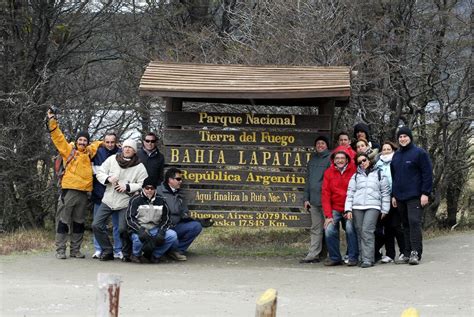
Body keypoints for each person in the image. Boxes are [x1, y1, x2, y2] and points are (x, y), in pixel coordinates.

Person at [47, 109, 102, 259]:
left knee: (79, 223)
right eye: (80, 140)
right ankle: (60, 250)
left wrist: (111, 142)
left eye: (85, 140)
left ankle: (75, 250)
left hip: (84, 193)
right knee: (63, 221)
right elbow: (57, 137)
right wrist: (52, 120)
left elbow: (99, 143)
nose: (82, 142)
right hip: (69, 191)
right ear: (76, 141)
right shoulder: (68, 150)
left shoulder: (90, 152)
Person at [92, 139, 148, 261]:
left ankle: (126, 252)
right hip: (108, 199)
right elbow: (100, 172)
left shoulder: (139, 166)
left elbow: (142, 184)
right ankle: (107, 250)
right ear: (122, 148)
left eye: (130, 148)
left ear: (134, 151)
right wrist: (108, 178)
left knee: (123, 229)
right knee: (96, 225)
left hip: (125, 201)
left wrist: (127, 187)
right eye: (125, 147)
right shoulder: (112, 159)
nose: (127, 149)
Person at [391, 127, 433, 265]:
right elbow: (394, 177)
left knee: (414, 221)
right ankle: (407, 252)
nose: (402, 139)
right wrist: (393, 195)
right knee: (405, 224)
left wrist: (425, 193)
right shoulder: (396, 155)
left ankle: (416, 252)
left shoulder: (419, 153)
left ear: (410, 137)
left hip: (415, 195)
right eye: (400, 137)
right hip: (400, 196)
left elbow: (427, 174)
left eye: (405, 136)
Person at [345, 153, 391, 268]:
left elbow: (385, 192)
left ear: (369, 160)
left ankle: (368, 259)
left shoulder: (379, 173)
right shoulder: (355, 176)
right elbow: (350, 193)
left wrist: (385, 209)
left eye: (364, 160)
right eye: (359, 162)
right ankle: (362, 257)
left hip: (373, 206)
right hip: (357, 207)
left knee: (367, 230)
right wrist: (348, 209)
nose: (362, 163)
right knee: (360, 231)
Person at [321, 146, 359, 266]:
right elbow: (325, 194)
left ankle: (353, 257)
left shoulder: (354, 170)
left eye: (342, 157)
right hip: (335, 208)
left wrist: (351, 209)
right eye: (337, 158)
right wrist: (328, 215)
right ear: (333, 160)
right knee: (329, 229)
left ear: (347, 159)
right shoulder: (328, 172)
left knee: (350, 228)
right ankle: (335, 257)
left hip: (350, 207)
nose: (340, 160)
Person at [126, 178, 178, 264]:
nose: (149, 190)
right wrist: (140, 230)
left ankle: (155, 255)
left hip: (155, 228)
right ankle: (136, 255)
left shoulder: (161, 200)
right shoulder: (135, 200)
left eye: (152, 188)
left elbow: (166, 218)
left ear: (155, 189)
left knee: (172, 235)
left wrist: (161, 230)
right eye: (147, 188)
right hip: (140, 228)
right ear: (143, 188)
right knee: (137, 239)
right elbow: (130, 219)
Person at [157, 167, 202, 261]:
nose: (180, 181)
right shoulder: (158, 192)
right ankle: (164, 250)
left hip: (176, 225)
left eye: (181, 179)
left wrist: (194, 219)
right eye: (178, 179)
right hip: (162, 227)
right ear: (170, 180)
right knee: (171, 237)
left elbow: (184, 213)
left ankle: (176, 251)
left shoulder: (179, 194)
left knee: (196, 226)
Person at [91, 132, 122, 259]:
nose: (109, 144)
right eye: (107, 142)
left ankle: (118, 249)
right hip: (100, 193)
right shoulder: (97, 152)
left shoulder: (121, 153)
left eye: (112, 142)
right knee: (98, 224)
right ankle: (99, 248)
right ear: (103, 142)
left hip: (117, 194)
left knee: (117, 225)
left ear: (116, 142)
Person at [300, 136, 331, 263]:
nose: (320, 145)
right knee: (315, 228)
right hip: (313, 200)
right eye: (318, 143)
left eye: (323, 143)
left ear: (326, 145)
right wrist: (306, 198)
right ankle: (313, 254)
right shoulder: (311, 161)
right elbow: (308, 181)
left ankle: (332, 255)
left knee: (329, 228)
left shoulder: (330, 159)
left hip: (326, 199)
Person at [374, 141, 405, 263]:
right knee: (387, 228)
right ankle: (390, 254)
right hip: (383, 198)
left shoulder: (397, 162)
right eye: (384, 149)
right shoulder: (377, 164)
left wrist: (395, 195)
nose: (386, 151)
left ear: (393, 150)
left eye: (388, 149)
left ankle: (404, 251)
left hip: (396, 197)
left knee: (397, 226)